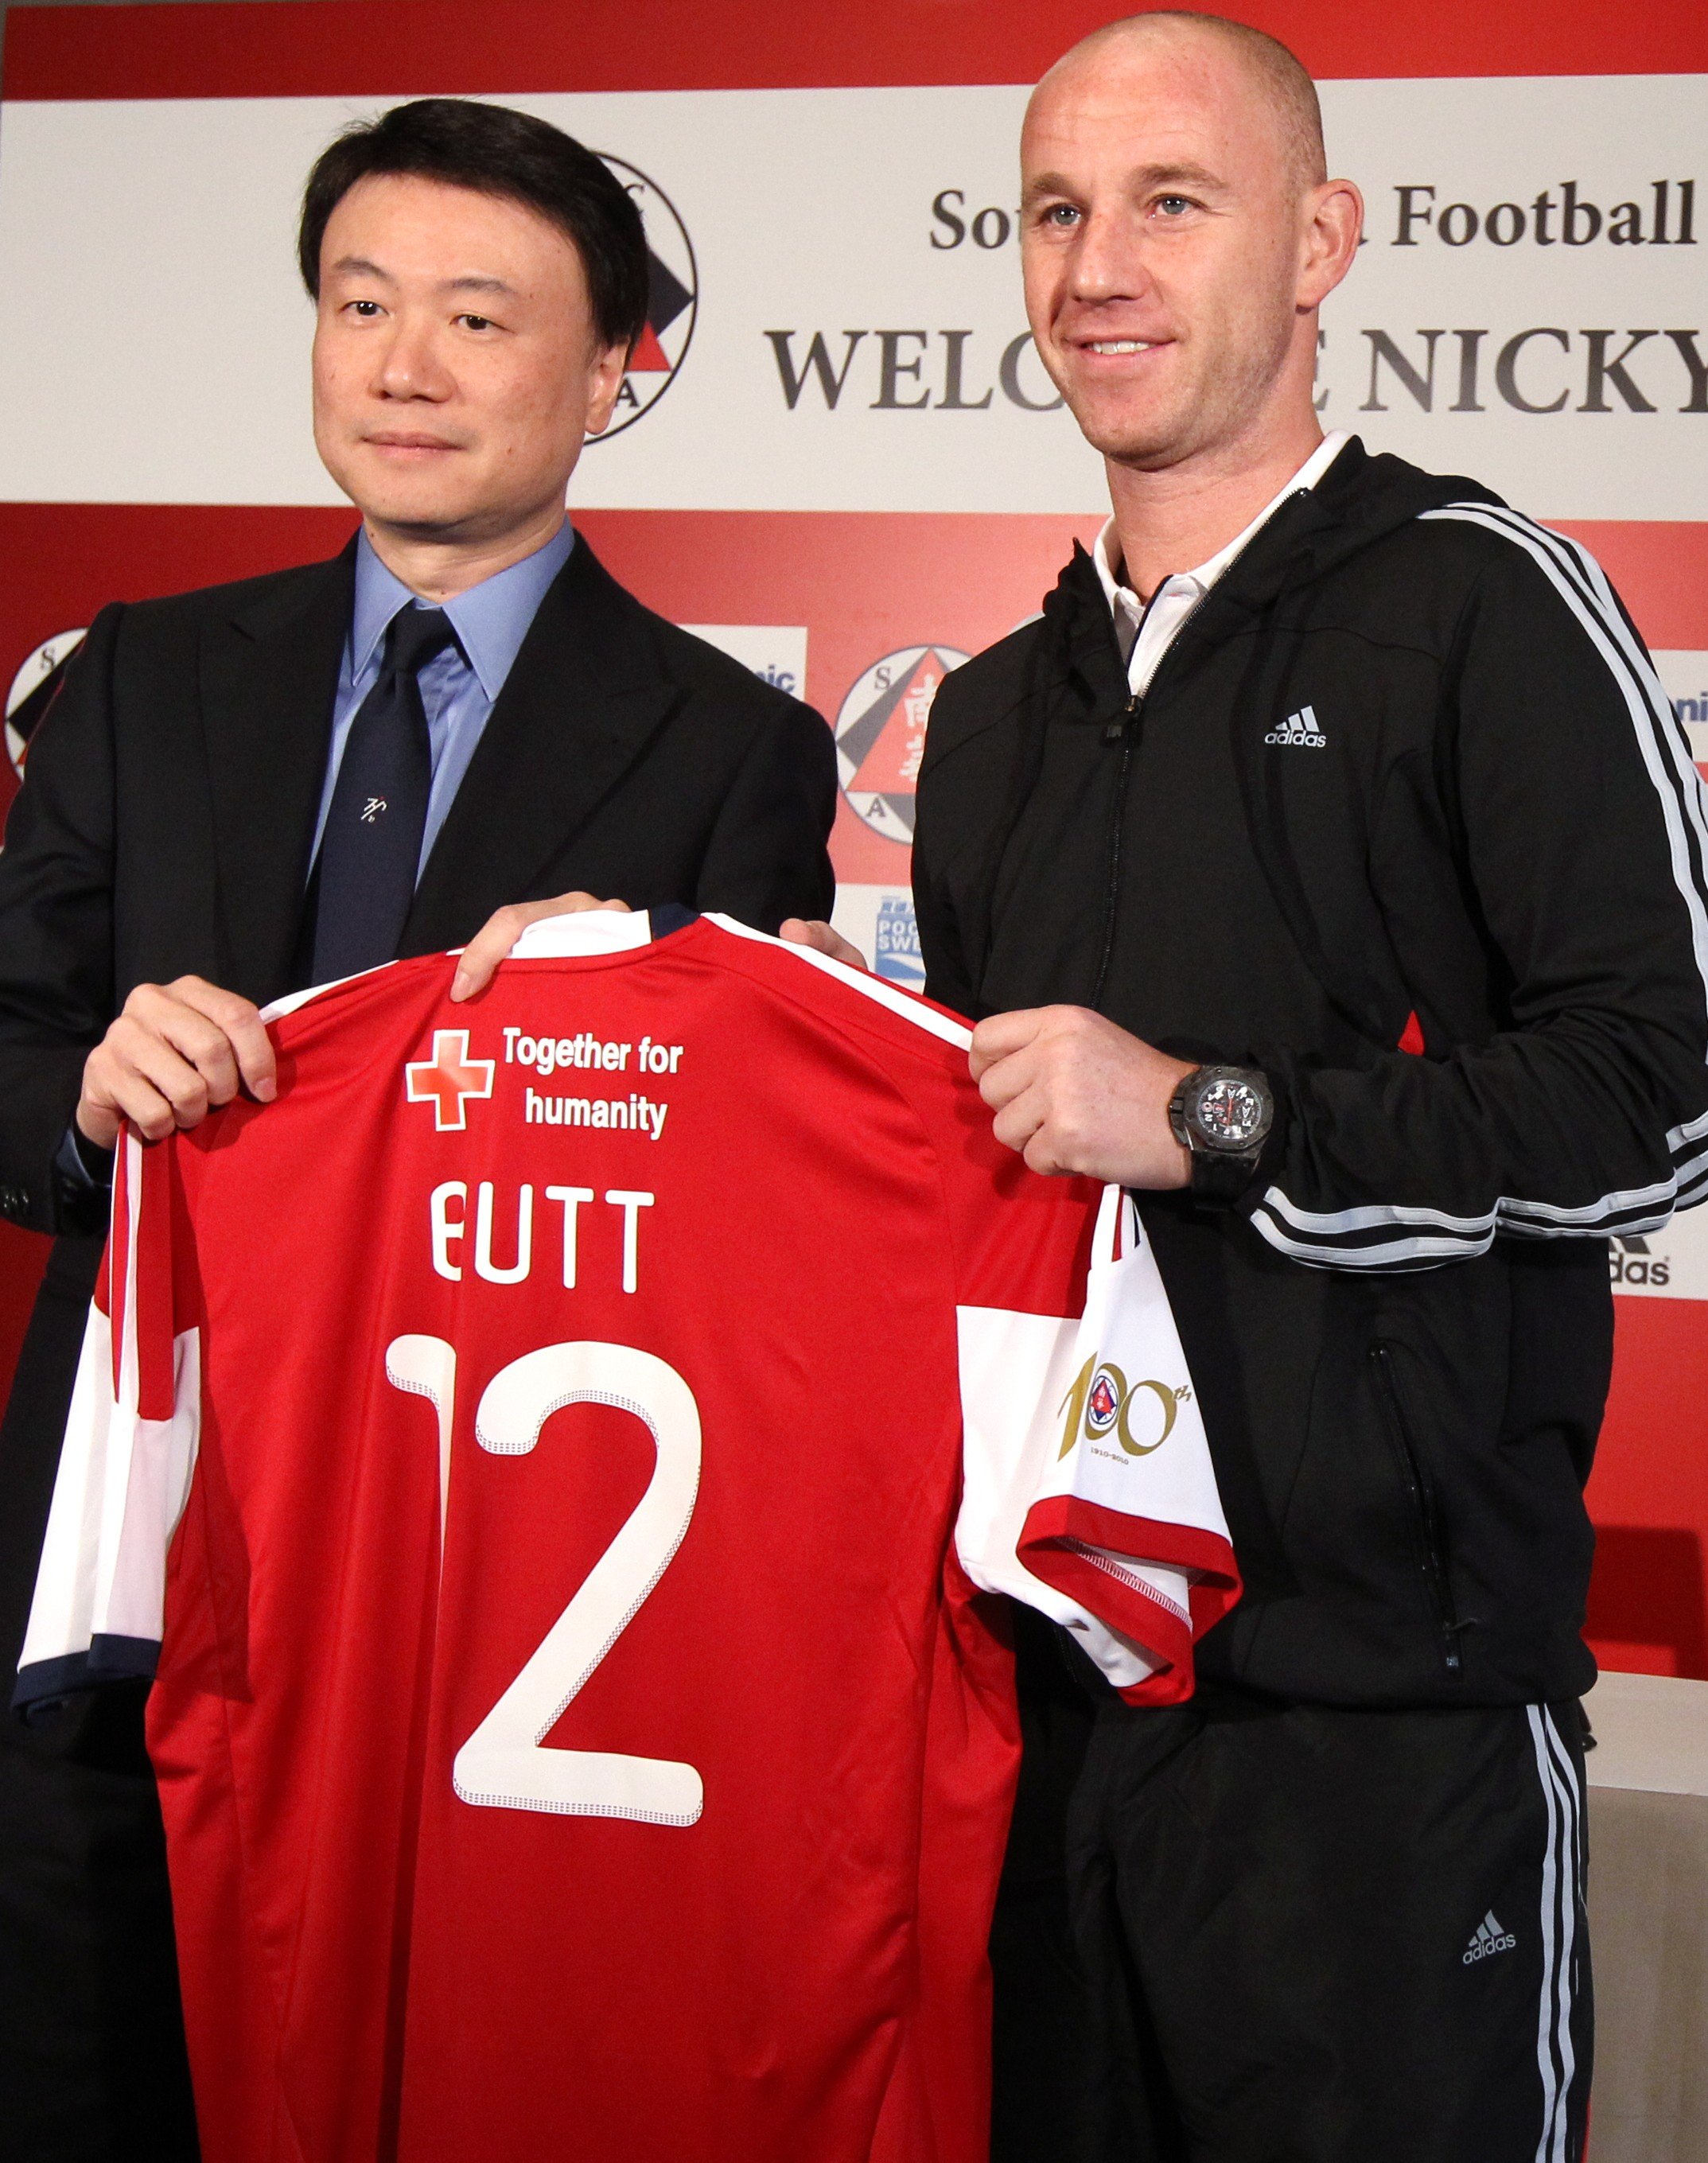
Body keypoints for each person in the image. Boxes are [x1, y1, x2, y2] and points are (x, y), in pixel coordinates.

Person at [0, 96, 835, 2160]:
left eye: (477, 315)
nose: (402, 365)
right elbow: (8, 1041)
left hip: (503, 1592)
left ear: (616, 367)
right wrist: (94, 1099)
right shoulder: (137, 676)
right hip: (121, 1547)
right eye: (360, 303)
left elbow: (742, 1208)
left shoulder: (727, 751)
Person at [912, 15, 1708, 2162]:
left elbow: (1663, 1089)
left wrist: (1214, 1117)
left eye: (1172, 202)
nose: (1098, 266)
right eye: (1055, 211)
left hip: (1385, 1728)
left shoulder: (1479, 607)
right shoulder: (986, 716)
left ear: (1319, 243)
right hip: (1057, 1707)